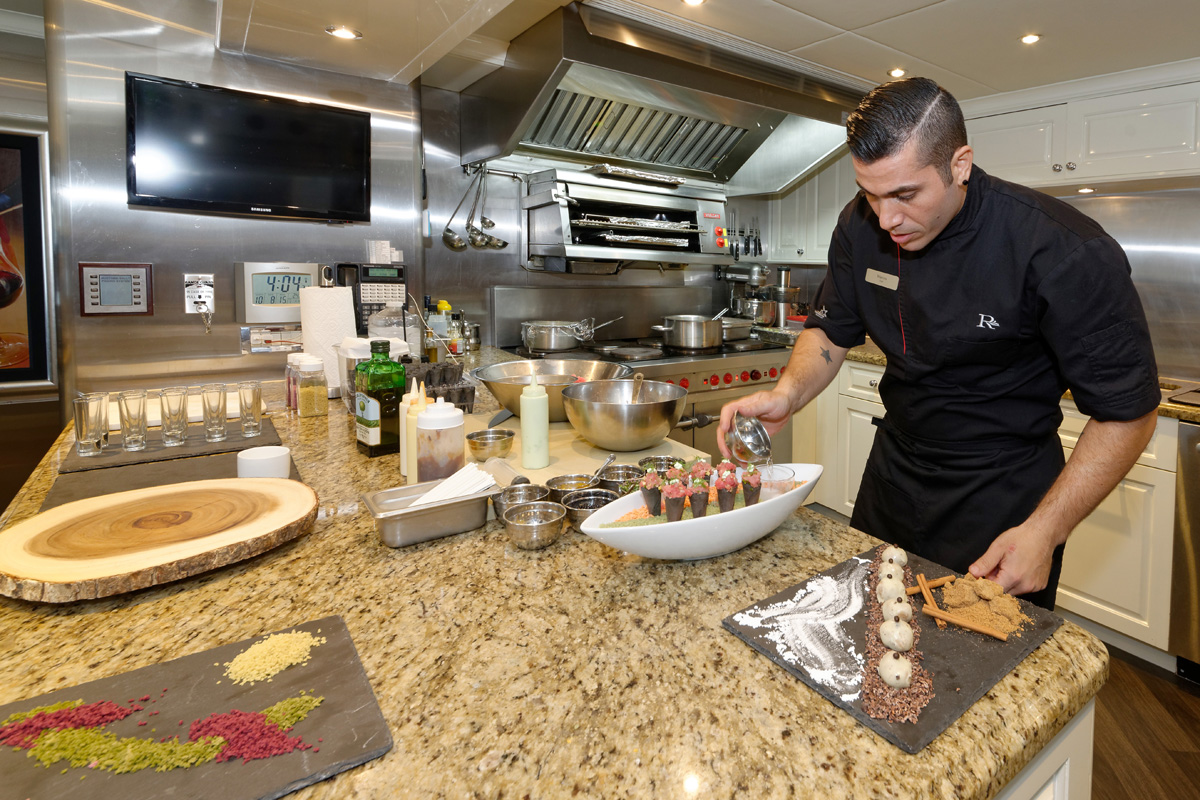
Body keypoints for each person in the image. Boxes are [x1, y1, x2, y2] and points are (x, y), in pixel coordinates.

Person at [717, 77, 1160, 609]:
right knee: (867, 626)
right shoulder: (859, 226)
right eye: (871, 194)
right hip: (894, 472)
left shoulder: (1064, 249)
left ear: (960, 165)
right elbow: (831, 330)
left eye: (905, 195)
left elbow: (1128, 414)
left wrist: (1046, 531)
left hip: (1003, 495)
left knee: (981, 652)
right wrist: (787, 394)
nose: (887, 219)